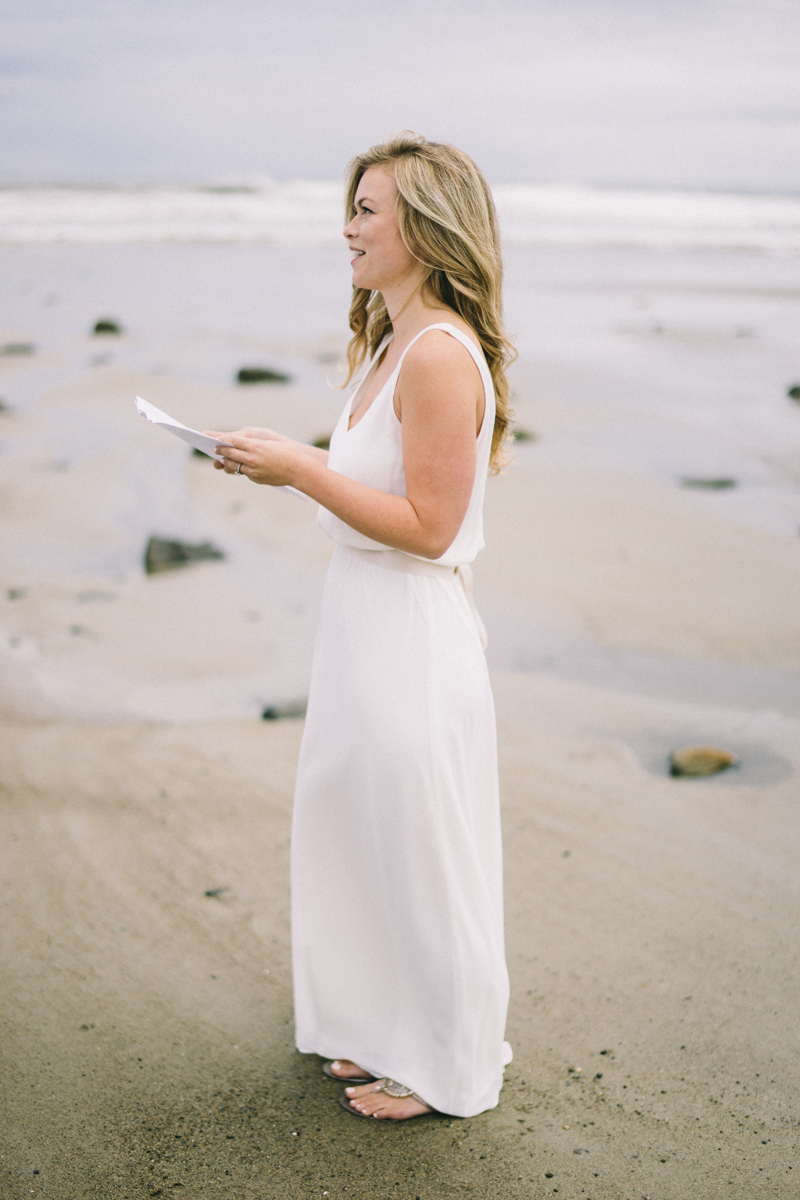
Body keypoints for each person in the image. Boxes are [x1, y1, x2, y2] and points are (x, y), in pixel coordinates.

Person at [210, 132, 515, 1121]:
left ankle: (446, 1066)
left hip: (411, 636)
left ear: (423, 230)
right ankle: (385, 1029)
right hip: (361, 628)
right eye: (350, 205)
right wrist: (293, 461)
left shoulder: (434, 357)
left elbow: (429, 530)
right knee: (360, 827)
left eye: (368, 209)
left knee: (421, 849)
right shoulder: (386, 342)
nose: (346, 226)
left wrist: (300, 469)